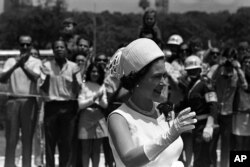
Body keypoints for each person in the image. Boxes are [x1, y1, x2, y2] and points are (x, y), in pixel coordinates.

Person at [108, 38, 197, 167]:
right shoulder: (118, 118)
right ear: (137, 79)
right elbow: (129, 159)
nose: (163, 83)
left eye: (164, 76)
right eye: (156, 77)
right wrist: (169, 136)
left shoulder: (165, 111)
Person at [0, 35, 42, 167]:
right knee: (11, 139)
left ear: (31, 46)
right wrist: (16, 65)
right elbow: (2, 78)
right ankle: (9, 164)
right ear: (18, 45)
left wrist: (22, 65)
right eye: (22, 44)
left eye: (27, 44)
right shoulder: (10, 61)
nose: (25, 47)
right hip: (12, 100)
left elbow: (35, 78)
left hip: (29, 101)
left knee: (27, 138)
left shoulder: (36, 62)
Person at [39, 39, 82, 167]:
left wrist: (75, 77)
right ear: (53, 51)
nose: (59, 49)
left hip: (68, 107)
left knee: (67, 142)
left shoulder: (74, 67)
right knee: (50, 143)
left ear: (66, 50)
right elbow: (43, 88)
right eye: (56, 47)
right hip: (52, 107)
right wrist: (47, 76)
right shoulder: (46, 65)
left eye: (61, 47)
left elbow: (78, 90)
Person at [177, 55, 218, 167]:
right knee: (197, 156)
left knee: (203, 158)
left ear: (200, 69)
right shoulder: (190, 86)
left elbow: (213, 105)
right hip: (195, 126)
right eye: (190, 71)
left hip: (204, 125)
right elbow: (185, 104)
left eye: (195, 70)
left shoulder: (205, 84)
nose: (192, 72)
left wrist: (209, 126)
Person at [78, 63, 108, 167]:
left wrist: (99, 101)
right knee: (85, 149)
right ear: (89, 73)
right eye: (93, 71)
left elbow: (105, 105)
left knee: (96, 150)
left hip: (99, 117)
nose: (95, 74)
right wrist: (94, 99)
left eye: (97, 72)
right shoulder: (84, 85)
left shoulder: (102, 86)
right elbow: (81, 104)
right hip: (86, 117)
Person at [232, 52, 250, 151]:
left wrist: (238, 68)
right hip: (239, 113)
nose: (247, 64)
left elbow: (246, 86)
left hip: (249, 115)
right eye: (245, 62)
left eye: (249, 62)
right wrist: (238, 69)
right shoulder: (237, 76)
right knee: (239, 144)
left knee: (247, 144)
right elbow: (243, 84)